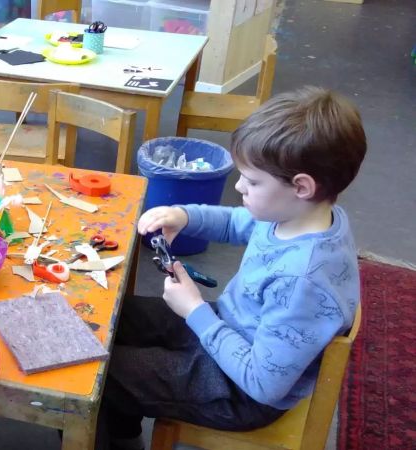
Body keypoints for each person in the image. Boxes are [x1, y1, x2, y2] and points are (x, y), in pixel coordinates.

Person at [100, 86, 367, 450]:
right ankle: (122, 428)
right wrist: (185, 215)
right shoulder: (303, 216)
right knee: (113, 320)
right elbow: (238, 223)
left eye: (252, 181)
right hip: (230, 331)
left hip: (241, 392)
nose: (238, 185)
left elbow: (262, 383)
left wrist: (194, 311)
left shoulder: (302, 281)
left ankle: (115, 434)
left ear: (302, 186)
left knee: (101, 375)